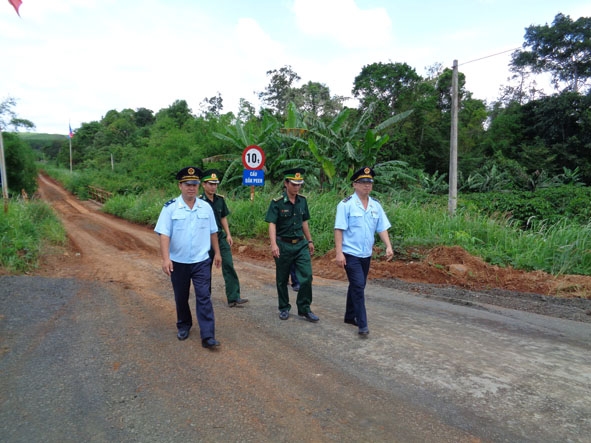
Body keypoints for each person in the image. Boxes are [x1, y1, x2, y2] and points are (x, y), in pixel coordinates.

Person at [154, 166, 222, 348]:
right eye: (187, 184)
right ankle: (184, 325)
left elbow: (213, 232)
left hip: (201, 261)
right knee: (181, 296)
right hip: (179, 262)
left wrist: (217, 253)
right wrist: (166, 258)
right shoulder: (170, 208)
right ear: (180, 186)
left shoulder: (206, 208)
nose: (191, 188)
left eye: (194, 184)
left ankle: (208, 335)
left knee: (204, 296)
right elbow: (164, 234)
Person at [334, 167, 393, 336]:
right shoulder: (346, 205)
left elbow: (382, 228)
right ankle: (362, 323)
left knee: (358, 285)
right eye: (363, 182)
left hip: (366, 254)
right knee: (359, 286)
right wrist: (339, 253)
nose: (367, 186)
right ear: (355, 184)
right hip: (350, 253)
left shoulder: (376, 205)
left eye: (370, 182)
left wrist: (388, 245)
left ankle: (349, 315)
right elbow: (339, 229)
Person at [265, 168, 318, 322]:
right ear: (286, 183)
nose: (297, 187)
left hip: (300, 244)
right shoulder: (277, 203)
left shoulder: (303, 200)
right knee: (282, 279)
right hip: (283, 245)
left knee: (307, 276)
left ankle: (304, 308)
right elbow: (272, 224)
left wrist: (310, 240)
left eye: (299, 184)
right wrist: (273, 244)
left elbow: (304, 222)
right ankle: (283, 307)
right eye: (294, 184)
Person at [199, 169, 248, 307]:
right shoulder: (199, 202)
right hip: (205, 239)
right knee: (204, 268)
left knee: (228, 265)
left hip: (220, 237)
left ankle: (233, 297)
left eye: (215, 184)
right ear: (203, 185)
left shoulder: (220, 199)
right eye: (210, 184)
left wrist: (228, 234)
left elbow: (223, 218)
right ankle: (205, 297)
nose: (213, 187)